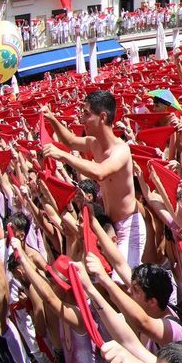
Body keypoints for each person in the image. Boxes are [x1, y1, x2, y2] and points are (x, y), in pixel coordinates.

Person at [41, 91, 142, 268]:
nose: (82, 119)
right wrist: (52, 119)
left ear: (102, 117)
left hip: (128, 226)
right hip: (108, 226)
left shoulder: (121, 150)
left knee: (125, 281)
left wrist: (64, 156)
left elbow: (101, 172)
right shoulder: (94, 143)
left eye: (87, 114)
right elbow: (71, 141)